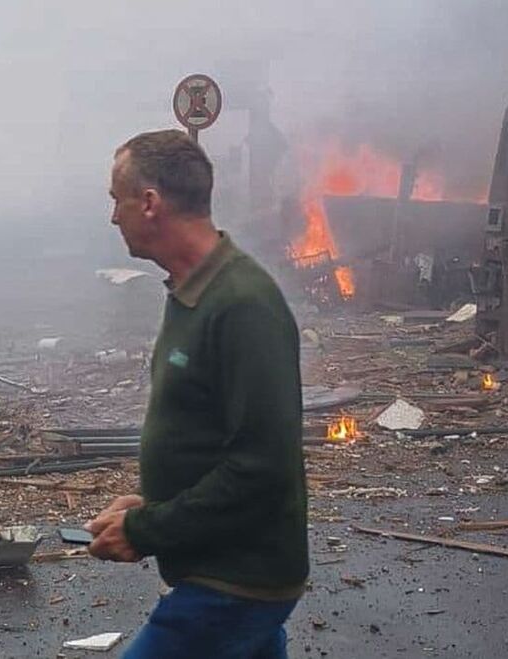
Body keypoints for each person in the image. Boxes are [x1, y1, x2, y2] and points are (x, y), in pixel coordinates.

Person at [85, 130, 308, 659]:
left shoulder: (243, 304)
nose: (114, 216)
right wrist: (154, 502)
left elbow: (261, 465)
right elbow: (209, 435)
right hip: (217, 569)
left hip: (234, 582)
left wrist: (146, 528)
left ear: (150, 203)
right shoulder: (190, 292)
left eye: (117, 199)